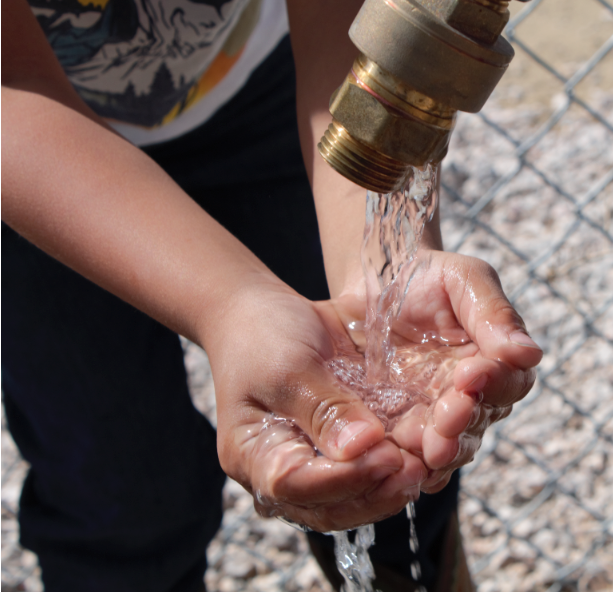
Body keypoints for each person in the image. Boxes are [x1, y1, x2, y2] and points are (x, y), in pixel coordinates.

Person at [1, 0, 543, 590]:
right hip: (30, 162)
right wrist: (232, 307)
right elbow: (10, 81)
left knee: (394, 452)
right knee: (120, 496)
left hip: (267, 91)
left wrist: (385, 268)